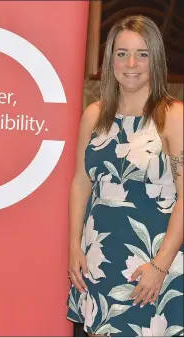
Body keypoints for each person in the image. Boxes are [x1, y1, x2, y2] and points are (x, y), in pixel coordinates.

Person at [66, 15, 183, 337]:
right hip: (101, 255)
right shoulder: (94, 115)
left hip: (155, 259)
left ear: (155, 59)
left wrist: (160, 266)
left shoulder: (173, 116)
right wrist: (74, 246)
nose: (131, 63)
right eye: (122, 53)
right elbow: (80, 182)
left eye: (142, 54)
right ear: (111, 60)